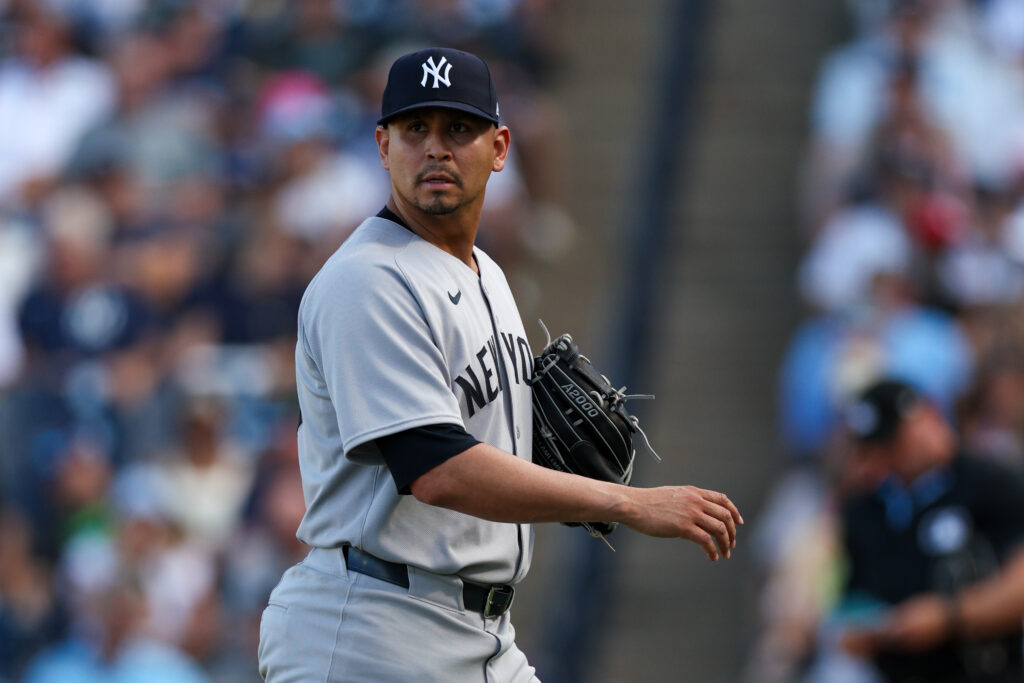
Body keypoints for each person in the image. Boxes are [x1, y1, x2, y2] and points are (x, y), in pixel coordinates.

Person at [257, 47, 743, 682]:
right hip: (371, 629)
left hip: (477, 632)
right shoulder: (367, 281)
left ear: (500, 147)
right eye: (414, 130)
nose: (435, 149)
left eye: (458, 129)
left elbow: (477, 444)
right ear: (382, 146)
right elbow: (438, 469)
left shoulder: (486, 273)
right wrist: (626, 502)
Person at [838, 378, 1024, 682]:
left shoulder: (989, 483)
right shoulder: (864, 510)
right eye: (887, 446)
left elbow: (1020, 588)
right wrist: (862, 629)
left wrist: (948, 617)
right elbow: (855, 597)